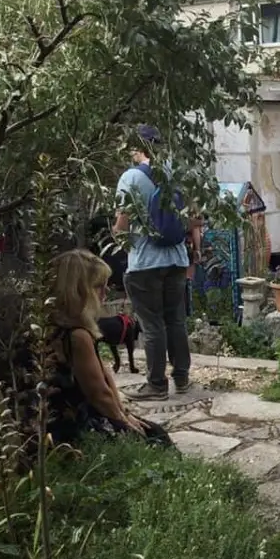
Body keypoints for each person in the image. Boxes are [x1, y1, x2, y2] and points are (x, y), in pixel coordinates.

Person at [43, 249, 172, 446]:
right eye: (98, 286)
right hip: (73, 427)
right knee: (155, 437)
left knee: (150, 430)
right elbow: (99, 394)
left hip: (61, 420)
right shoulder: (76, 336)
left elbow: (104, 378)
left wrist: (124, 412)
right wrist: (124, 422)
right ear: (78, 291)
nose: (106, 291)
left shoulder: (57, 328)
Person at [112, 125, 194, 401]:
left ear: (138, 147)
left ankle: (156, 385)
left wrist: (117, 237)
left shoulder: (131, 177)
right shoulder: (175, 173)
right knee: (175, 320)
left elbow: (122, 225)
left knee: (152, 325)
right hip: (176, 259)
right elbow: (193, 218)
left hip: (145, 263)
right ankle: (181, 378)